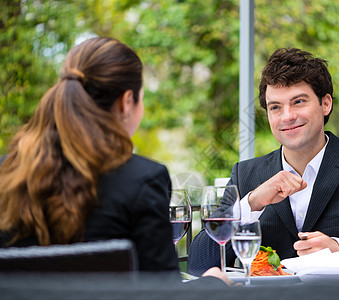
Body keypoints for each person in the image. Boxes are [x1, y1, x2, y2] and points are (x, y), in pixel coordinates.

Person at [0, 36, 230, 285]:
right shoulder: (143, 181)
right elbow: (164, 295)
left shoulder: (6, 173)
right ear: (127, 101)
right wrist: (214, 283)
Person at [188, 48, 339, 276]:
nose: (287, 116)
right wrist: (252, 203)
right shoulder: (245, 174)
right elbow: (198, 263)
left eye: (298, 102)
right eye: (275, 107)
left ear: (326, 103)